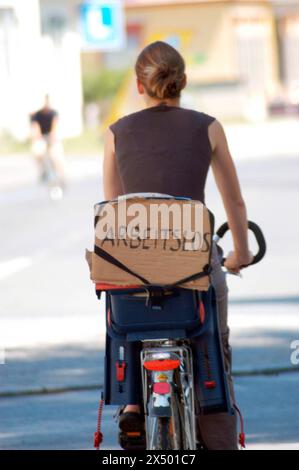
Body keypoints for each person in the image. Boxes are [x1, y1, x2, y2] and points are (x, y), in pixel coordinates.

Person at [103, 41, 253, 450]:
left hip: (134, 264)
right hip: (193, 261)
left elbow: (114, 210)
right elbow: (234, 202)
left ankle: (132, 407)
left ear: (139, 85)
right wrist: (241, 253)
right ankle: (220, 437)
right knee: (213, 347)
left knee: (126, 324)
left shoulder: (116, 133)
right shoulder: (209, 127)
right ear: (183, 81)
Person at [30, 95, 66, 188]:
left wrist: (53, 135)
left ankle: (62, 176)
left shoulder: (53, 113)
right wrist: (36, 137)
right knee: (37, 151)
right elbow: (35, 127)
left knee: (56, 155)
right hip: (41, 137)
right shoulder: (36, 115)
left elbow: (55, 126)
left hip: (52, 137)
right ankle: (43, 171)